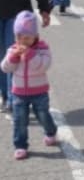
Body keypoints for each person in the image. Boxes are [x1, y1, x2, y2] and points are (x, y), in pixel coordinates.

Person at [1, 11, 57, 160]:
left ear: (35, 36)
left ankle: (50, 131)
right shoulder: (13, 49)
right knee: (20, 120)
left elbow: (43, 66)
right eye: (19, 37)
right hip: (18, 93)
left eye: (27, 37)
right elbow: (5, 68)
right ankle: (20, 146)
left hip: (39, 92)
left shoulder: (42, 49)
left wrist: (30, 55)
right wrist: (13, 57)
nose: (23, 41)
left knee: (43, 115)